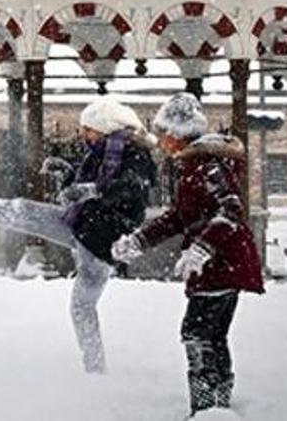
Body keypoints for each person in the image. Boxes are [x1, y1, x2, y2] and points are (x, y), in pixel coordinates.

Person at [0, 95, 155, 373]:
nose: (83, 134)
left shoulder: (135, 154)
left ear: (105, 127)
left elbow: (130, 189)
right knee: (24, 212)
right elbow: (88, 188)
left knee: (82, 308)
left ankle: (96, 372)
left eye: (88, 129)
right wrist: (69, 174)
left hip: (103, 239)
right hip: (84, 223)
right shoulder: (102, 152)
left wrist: (90, 190)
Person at [111, 94, 263, 417]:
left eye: (163, 132)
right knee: (214, 335)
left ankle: (206, 408)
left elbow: (231, 209)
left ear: (178, 132)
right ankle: (219, 404)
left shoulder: (206, 165)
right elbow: (179, 217)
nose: (161, 141)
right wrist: (139, 240)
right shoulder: (194, 164)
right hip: (224, 263)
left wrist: (202, 249)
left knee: (196, 333)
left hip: (221, 262)